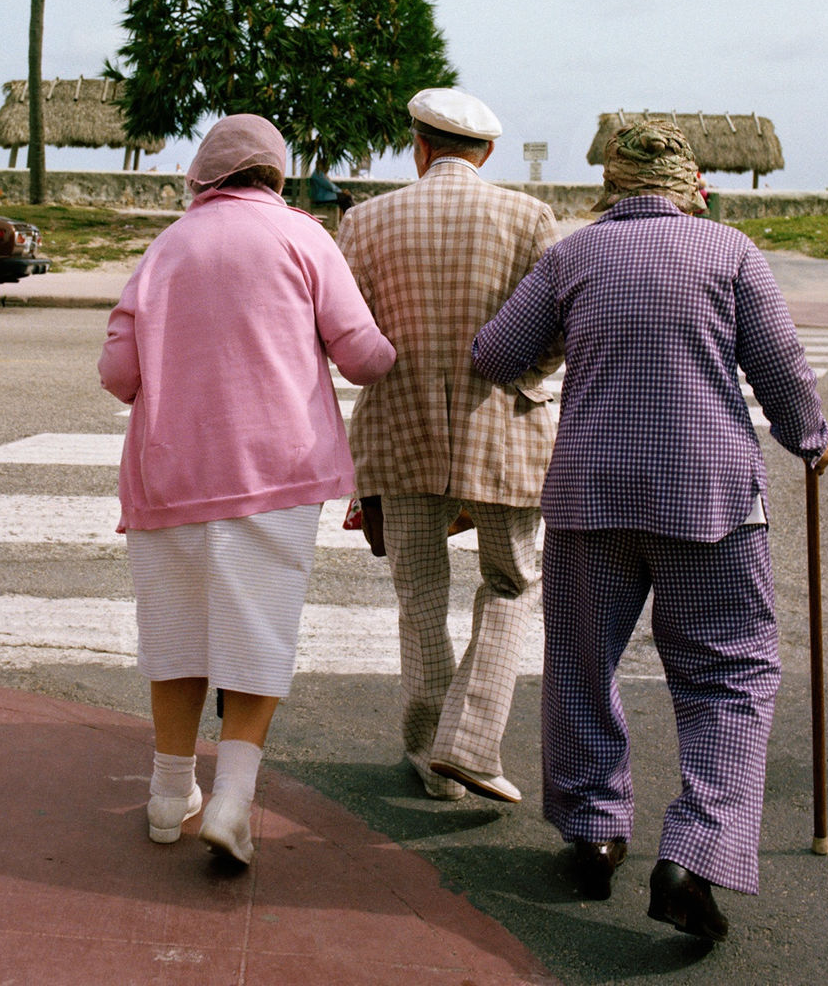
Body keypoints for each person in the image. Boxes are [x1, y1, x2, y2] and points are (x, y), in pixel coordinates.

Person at [471, 119, 828, 942]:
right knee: (729, 672)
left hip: (590, 497)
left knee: (581, 662)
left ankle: (595, 830)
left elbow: (496, 354)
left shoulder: (571, 256)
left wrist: (566, 341)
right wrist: (813, 438)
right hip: (709, 501)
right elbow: (782, 372)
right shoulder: (731, 253)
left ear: (613, 186)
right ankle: (694, 856)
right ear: (688, 188)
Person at [98, 114, 395, 864]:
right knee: (257, 629)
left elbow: (118, 373)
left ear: (203, 175)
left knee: (176, 633)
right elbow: (361, 357)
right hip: (277, 472)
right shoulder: (303, 237)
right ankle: (232, 799)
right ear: (276, 172)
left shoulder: (167, 246)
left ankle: (169, 793)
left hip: (171, 473)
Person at [335, 88, 562, 803]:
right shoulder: (528, 218)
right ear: (486, 152)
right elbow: (558, 328)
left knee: (419, 594)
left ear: (420, 146)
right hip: (502, 426)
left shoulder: (365, 221)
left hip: (397, 427)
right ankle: (469, 740)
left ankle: (432, 755)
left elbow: (345, 331)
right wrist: (524, 373)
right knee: (513, 582)